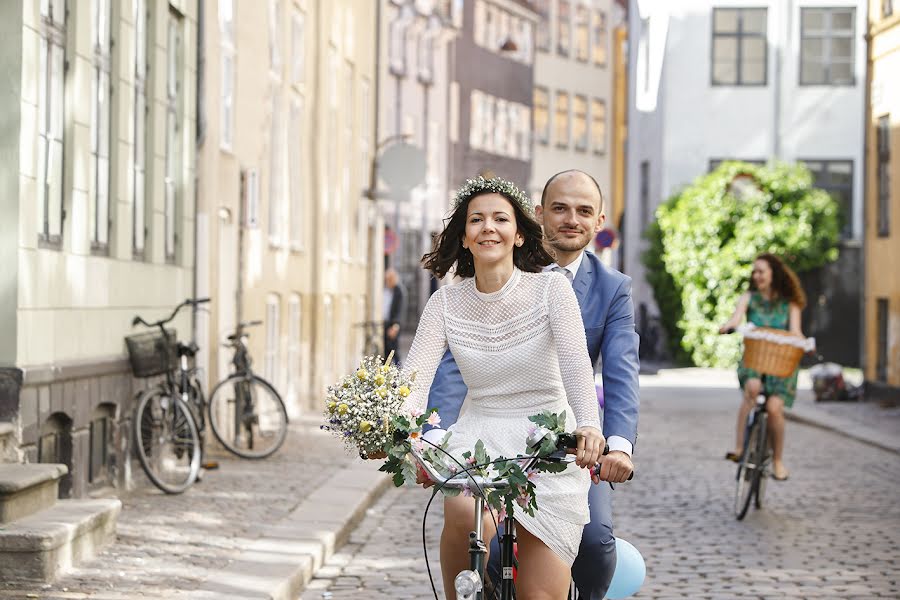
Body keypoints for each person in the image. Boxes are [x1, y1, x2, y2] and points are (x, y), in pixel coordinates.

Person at [426, 170, 640, 599]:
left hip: (565, 437)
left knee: (595, 544)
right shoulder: (495, 266)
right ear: (538, 217)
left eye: (583, 211)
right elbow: (450, 366)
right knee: (470, 522)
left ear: (599, 221)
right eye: (559, 208)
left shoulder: (612, 288)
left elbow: (618, 371)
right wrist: (430, 435)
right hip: (484, 433)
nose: (570, 220)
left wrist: (615, 443)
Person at [719, 252, 807, 481]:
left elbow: (796, 331)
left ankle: (777, 461)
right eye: (754, 272)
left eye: (761, 271)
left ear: (773, 274)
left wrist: (803, 343)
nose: (756, 276)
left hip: (781, 364)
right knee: (752, 390)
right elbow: (735, 319)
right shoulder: (749, 298)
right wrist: (727, 327)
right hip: (756, 360)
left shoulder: (791, 303)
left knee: (775, 408)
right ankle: (740, 448)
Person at [383, 268, 405, 365]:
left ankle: (399, 370)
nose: (387, 282)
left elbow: (399, 310)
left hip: (393, 325)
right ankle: (385, 372)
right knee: (386, 350)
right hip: (386, 324)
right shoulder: (387, 290)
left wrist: (395, 326)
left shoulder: (399, 292)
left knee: (393, 350)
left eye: (389, 280)